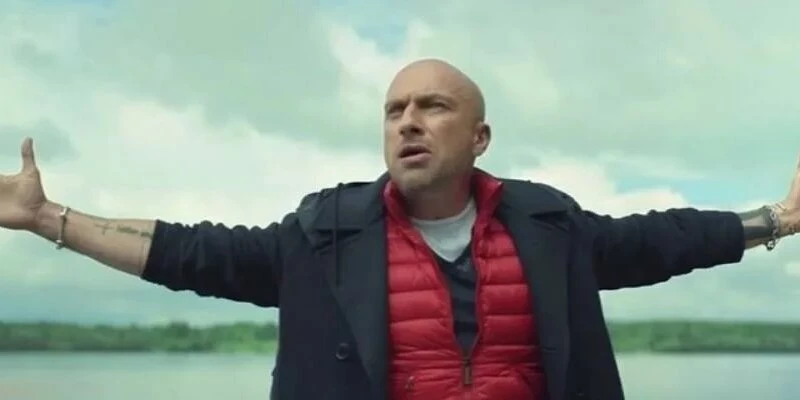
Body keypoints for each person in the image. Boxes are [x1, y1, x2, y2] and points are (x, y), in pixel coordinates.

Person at [0, 58, 798, 400]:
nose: (408, 121)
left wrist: (781, 218)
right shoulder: (323, 235)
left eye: (432, 107)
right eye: (394, 110)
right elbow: (189, 252)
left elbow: (662, 240)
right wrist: (46, 218)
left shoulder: (549, 227)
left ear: (479, 137)